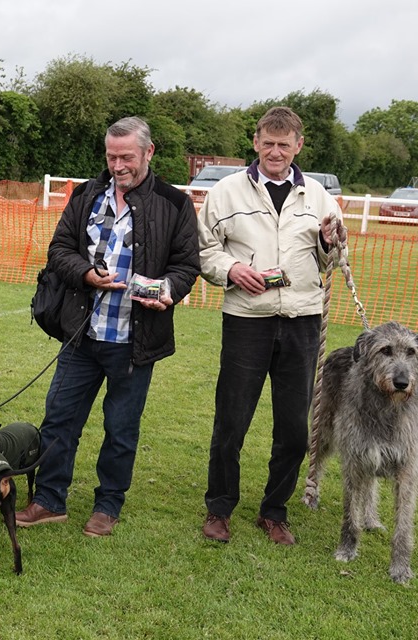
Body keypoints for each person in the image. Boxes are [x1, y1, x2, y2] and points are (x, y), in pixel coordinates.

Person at [15, 116, 200, 536]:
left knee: (120, 428)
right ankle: (48, 499)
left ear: (148, 153)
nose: (118, 166)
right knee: (59, 418)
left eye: (127, 157)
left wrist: (168, 288)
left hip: (134, 340)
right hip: (82, 333)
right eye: (112, 156)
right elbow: (59, 249)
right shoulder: (85, 195)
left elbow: (188, 265)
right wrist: (85, 273)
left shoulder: (175, 203)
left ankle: (108, 505)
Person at [198, 106, 342, 545]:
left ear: (298, 146)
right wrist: (231, 269)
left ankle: (274, 512)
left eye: (284, 144)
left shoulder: (319, 197)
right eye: (268, 142)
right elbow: (204, 251)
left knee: (294, 429)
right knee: (231, 421)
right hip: (247, 320)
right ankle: (219, 509)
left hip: (302, 321)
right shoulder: (225, 193)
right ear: (256, 142)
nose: (275, 151)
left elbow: (334, 259)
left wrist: (329, 243)